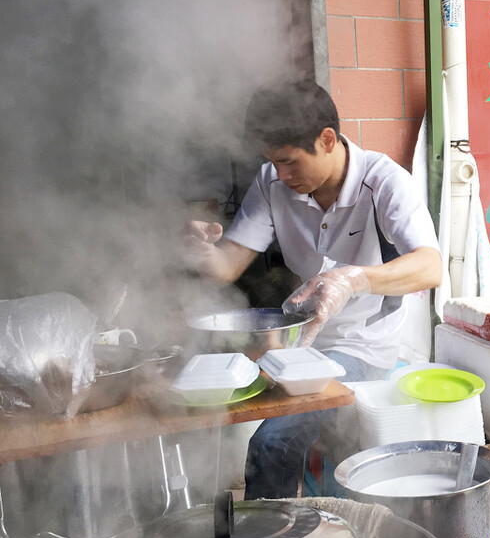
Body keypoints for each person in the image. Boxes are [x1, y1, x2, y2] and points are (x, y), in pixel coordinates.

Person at [186, 79, 442, 499]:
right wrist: (195, 249)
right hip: (299, 345)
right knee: (209, 410)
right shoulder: (272, 182)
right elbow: (227, 265)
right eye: (272, 163)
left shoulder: (384, 183)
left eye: (289, 163)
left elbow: (430, 267)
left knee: (272, 442)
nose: (281, 176)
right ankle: (275, 537)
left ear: (327, 140)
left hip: (362, 347)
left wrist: (354, 278)